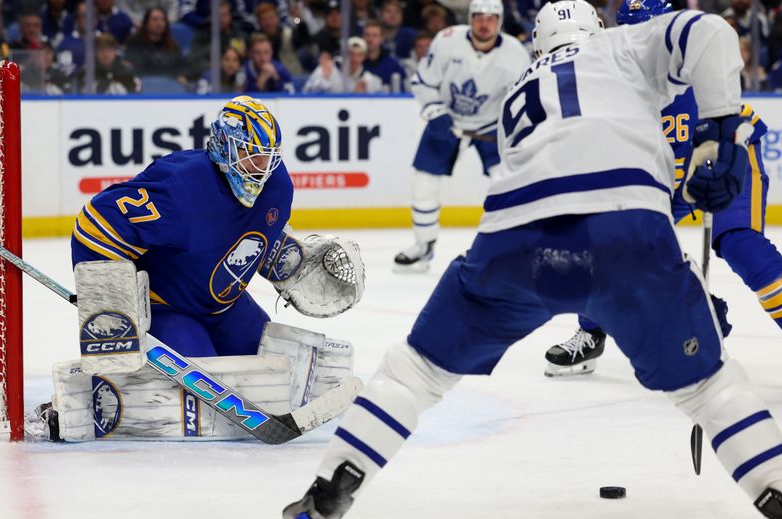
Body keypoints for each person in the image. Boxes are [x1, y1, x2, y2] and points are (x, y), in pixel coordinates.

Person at [283, 3, 782, 518]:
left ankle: (328, 490)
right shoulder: (619, 46)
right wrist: (718, 130)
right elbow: (710, 30)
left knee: (414, 372)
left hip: (512, 243)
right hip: (624, 232)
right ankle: (772, 482)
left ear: (540, 45)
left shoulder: (519, 89)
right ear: (598, 29)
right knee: (708, 388)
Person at [38, 95, 364, 442]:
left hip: (225, 307)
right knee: (199, 383)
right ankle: (78, 404)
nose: (260, 167)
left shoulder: (278, 185)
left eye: (268, 157)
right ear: (224, 144)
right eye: (251, 154)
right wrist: (109, 303)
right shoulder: (181, 187)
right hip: (167, 307)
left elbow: (253, 237)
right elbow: (95, 226)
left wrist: (291, 262)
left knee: (269, 370)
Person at [542, 0, 782, 378]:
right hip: (667, 184)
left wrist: (724, 150)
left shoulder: (693, 65)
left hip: (723, 163)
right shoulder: (606, 85)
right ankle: (594, 331)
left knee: (740, 244)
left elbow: (734, 115)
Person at [392, 0, 531, 272]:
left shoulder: (515, 54)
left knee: (506, 184)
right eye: (478, 16)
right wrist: (435, 111)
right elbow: (423, 82)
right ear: (470, 18)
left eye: (491, 18)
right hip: (446, 120)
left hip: (491, 126)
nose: (484, 23)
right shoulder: (446, 41)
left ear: (500, 21)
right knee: (424, 183)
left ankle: (510, 247)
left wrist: (511, 130)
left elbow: (520, 99)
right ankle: (424, 245)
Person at [303, 36, 384, 94]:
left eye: (360, 55)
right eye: (351, 54)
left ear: (365, 57)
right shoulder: (325, 69)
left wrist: (360, 99)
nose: (355, 59)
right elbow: (306, 95)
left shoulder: (369, 80)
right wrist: (324, 80)